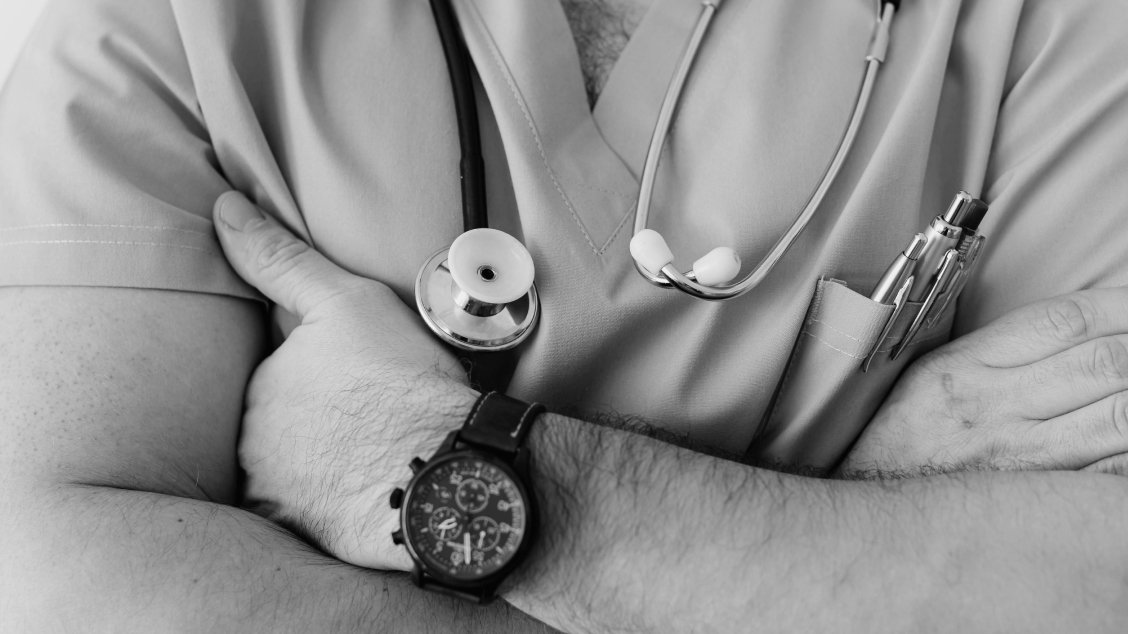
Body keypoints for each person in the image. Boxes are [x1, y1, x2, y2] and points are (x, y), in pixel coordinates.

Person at [2, 0, 1128, 631]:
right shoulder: (160, 21)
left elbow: (1095, 582)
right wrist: (840, 520)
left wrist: (399, 460)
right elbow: (54, 578)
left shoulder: (1053, 25)